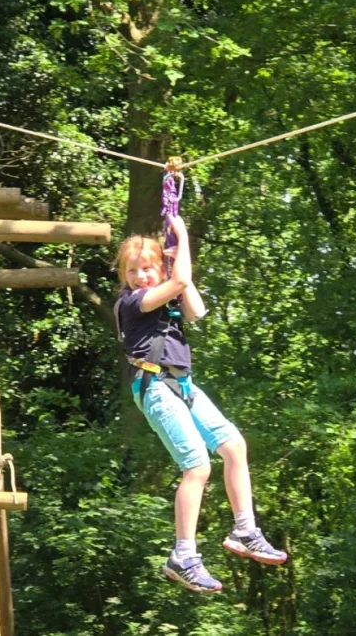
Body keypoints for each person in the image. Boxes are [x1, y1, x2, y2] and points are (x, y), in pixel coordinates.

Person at [115, 214, 288, 593]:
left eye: (147, 268)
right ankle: (183, 555)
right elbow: (178, 281)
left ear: (159, 268)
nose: (141, 276)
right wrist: (182, 237)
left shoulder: (167, 294)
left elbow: (196, 309)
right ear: (125, 277)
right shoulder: (133, 303)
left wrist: (176, 264)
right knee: (196, 465)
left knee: (234, 447)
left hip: (183, 384)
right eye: (133, 271)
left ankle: (245, 530)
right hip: (155, 385)